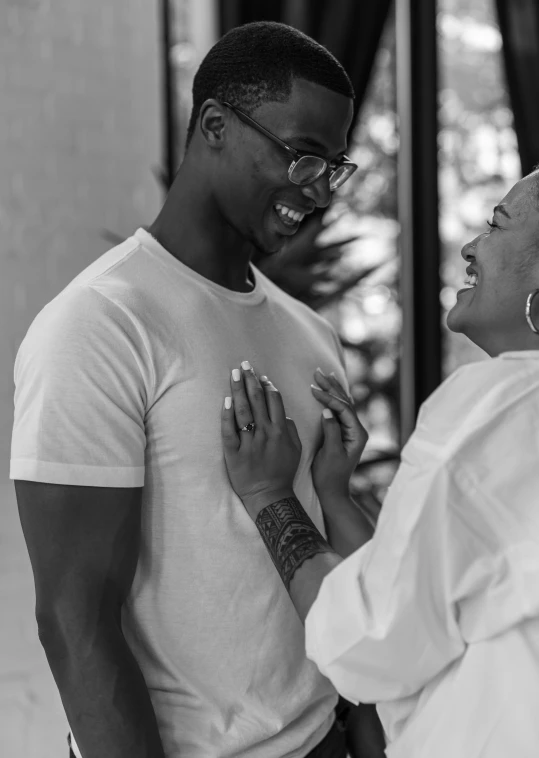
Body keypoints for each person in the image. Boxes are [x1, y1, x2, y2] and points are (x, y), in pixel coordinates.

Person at [9, 20, 387, 758]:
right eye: (301, 156)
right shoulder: (101, 324)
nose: (317, 191)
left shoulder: (311, 335)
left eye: (332, 166)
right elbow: (72, 620)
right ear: (214, 124)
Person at [220, 170, 539, 758]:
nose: (471, 246)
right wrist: (335, 496)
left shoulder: (498, 406)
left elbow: (369, 643)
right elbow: (426, 592)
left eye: (497, 224)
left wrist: (270, 495)